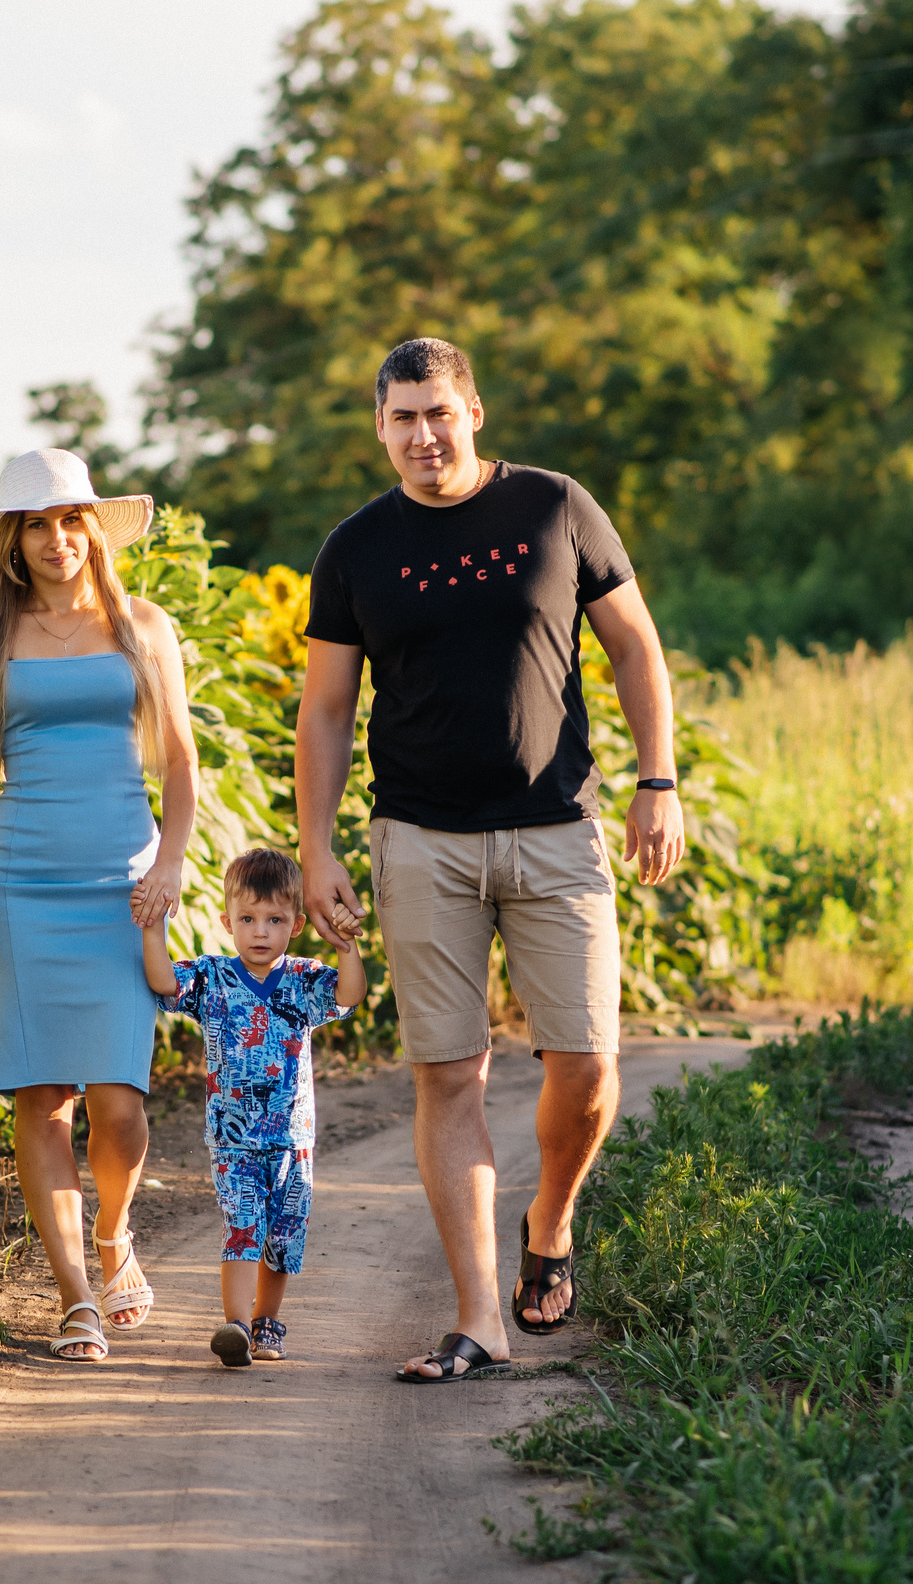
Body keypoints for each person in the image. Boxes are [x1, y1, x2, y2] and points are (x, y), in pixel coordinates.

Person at [294, 338, 685, 1384]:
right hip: (420, 840)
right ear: (377, 429)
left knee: (589, 1068)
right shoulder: (355, 549)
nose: (422, 435)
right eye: (400, 419)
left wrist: (658, 780)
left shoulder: (554, 508)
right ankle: (478, 1317)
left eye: (437, 412)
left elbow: (634, 647)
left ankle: (547, 1219)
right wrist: (318, 846)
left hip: (559, 828)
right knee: (449, 1074)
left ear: (472, 408)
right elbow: (327, 707)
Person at [0, 448, 200, 1364]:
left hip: (122, 886)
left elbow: (179, 761)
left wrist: (168, 867)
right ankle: (76, 1298)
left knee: (121, 1104)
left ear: (95, 528)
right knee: (42, 1098)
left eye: (70, 521)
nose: (57, 540)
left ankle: (114, 1229)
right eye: (37, 525)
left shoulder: (143, 626)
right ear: (13, 542)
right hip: (21, 881)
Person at [142, 848, 363, 1368]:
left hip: (292, 1137)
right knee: (242, 1226)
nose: (260, 932)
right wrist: (153, 928)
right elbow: (164, 983)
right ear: (227, 923)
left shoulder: (305, 981)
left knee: (283, 1236)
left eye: (274, 920)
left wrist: (348, 945)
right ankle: (236, 1324)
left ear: (297, 924)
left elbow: (349, 994)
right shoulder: (212, 977)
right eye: (247, 919)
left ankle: (268, 1321)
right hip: (233, 1136)